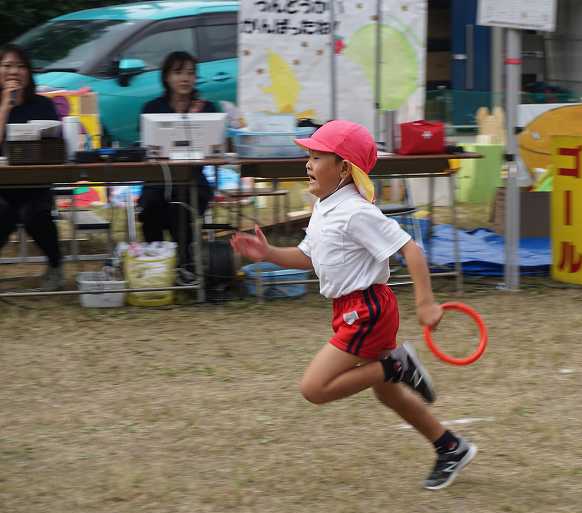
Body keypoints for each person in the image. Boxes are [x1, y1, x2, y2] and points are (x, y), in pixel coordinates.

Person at [230, 120, 477, 490]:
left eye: (317, 157)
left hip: (366, 310)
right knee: (387, 391)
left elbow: (410, 248)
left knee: (314, 388)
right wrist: (268, 253)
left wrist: (426, 303)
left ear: (344, 168)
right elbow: (308, 257)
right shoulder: (325, 206)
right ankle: (450, 447)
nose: (308, 164)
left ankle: (397, 364)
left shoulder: (356, 212)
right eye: (309, 156)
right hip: (352, 309)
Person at [138, 51, 217, 283]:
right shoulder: (152, 108)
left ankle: (185, 265)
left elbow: (215, 147)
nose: (185, 78)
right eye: (178, 72)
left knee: (180, 209)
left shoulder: (206, 108)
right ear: (166, 77)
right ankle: (156, 267)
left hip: (193, 180)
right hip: (158, 179)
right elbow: (145, 147)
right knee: (150, 209)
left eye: (190, 73)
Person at [0, 44, 63, 290]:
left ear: (28, 72)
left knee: (34, 213)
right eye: (7, 66)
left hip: (35, 183)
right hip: (2, 186)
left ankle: (55, 265)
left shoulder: (43, 105)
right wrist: (5, 106)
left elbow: (55, 144)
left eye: (20, 66)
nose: (14, 72)